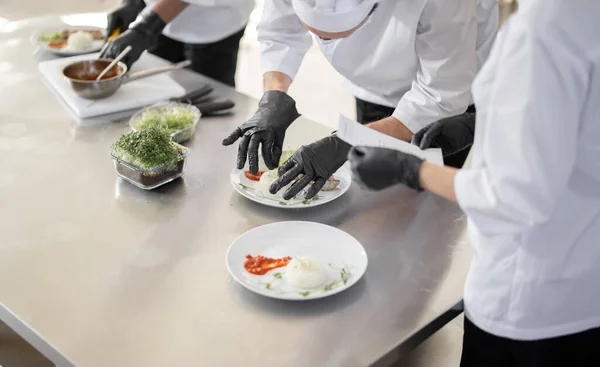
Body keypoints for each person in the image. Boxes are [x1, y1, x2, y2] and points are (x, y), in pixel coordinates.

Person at [349, 0, 600, 367]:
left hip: (529, 299)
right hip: (585, 282)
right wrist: (479, 122)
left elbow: (514, 198)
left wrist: (410, 170)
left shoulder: (543, 29)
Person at [223, 0, 499, 200]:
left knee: (424, 210)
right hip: (374, 89)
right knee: (373, 201)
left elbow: (440, 94)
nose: (324, 43)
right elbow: (280, 31)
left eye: (332, 36)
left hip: (448, 101)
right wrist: (274, 95)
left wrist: (348, 140)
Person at [101, 0, 254, 87]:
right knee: (160, 90)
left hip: (213, 22)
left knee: (206, 99)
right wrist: (135, 3)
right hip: (158, 20)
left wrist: (146, 27)